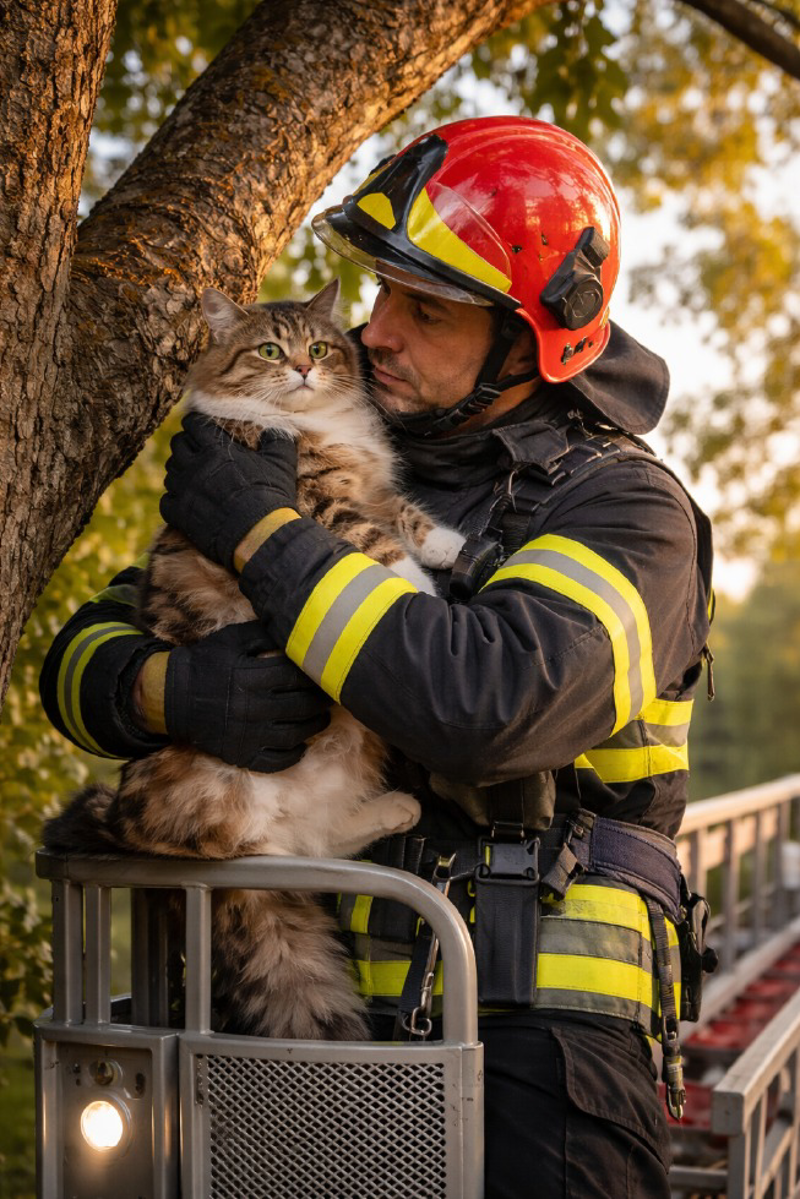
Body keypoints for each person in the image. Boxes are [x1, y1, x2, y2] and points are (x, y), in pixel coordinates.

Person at [40, 116, 714, 1197]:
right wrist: (169, 687)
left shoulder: (623, 509)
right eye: (380, 293)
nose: (372, 330)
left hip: (530, 1051)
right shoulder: (341, 443)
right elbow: (87, 650)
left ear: (532, 334)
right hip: (278, 1000)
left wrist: (268, 540)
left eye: (424, 308)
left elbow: (486, 702)